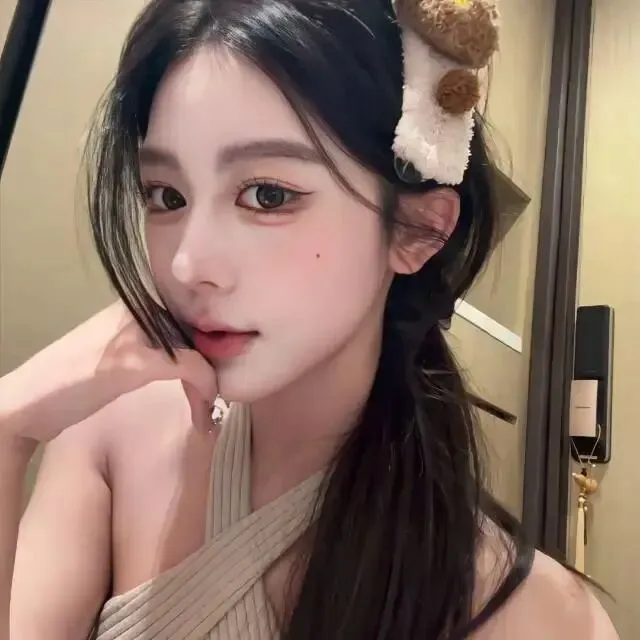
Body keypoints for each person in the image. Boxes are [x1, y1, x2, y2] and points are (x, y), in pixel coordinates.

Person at [0, 0, 619, 638]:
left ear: (417, 228)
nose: (187, 265)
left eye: (267, 195)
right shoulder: (109, 436)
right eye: (167, 195)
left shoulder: (533, 612)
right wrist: (7, 429)